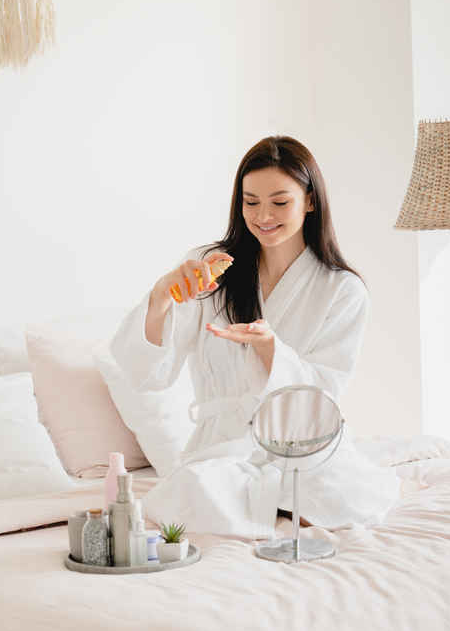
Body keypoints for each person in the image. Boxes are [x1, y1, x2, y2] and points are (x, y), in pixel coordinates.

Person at [109, 135, 400, 538]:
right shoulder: (211, 269)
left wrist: (270, 350)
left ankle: (277, 506)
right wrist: (161, 297)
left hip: (300, 442)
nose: (264, 215)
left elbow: (324, 394)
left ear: (310, 201)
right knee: (199, 490)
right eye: (251, 202)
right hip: (223, 445)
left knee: (339, 496)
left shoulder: (342, 290)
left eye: (280, 202)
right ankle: (274, 510)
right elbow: (149, 374)